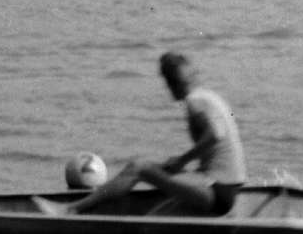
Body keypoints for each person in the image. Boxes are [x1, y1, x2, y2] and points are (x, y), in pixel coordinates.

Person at [73, 52, 246, 218]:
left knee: (138, 167)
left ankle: (73, 209)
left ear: (172, 83)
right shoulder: (210, 96)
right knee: (159, 195)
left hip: (217, 190)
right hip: (228, 189)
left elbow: (217, 134)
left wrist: (181, 160)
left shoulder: (194, 100)